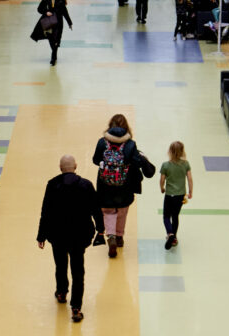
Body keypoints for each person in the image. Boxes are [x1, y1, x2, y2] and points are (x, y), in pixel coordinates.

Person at [37, 153, 103, 322]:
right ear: (76, 166)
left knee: (60, 265)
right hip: (79, 236)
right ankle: (76, 307)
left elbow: (46, 211)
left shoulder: (52, 185)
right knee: (78, 270)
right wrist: (101, 230)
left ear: (60, 168)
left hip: (57, 234)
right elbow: (96, 209)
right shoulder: (86, 185)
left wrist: (41, 235)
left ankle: (61, 292)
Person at [91, 113, 157, 255]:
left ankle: (111, 236)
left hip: (105, 184)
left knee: (108, 210)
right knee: (122, 210)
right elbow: (136, 162)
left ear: (110, 126)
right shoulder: (130, 144)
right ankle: (119, 236)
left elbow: (96, 160)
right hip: (125, 184)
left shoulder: (102, 142)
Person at [158, 141, 194, 249]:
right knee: (175, 216)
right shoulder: (186, 164)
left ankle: (170, 234)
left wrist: (162, 188)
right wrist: (190, 191)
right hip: (180, 195)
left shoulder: (165, 165)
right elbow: (190, 179)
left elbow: (162, 180)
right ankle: (174, 239)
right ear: (182, 151)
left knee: (166, 216)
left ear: (170, 151)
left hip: (169, 195)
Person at [33, 0, 74, 65]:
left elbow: (65, 13)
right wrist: (46, 12)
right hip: (49, 22)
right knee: (51, 39)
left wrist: (69, 23)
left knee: (57, 40)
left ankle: (53, 57)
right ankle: (54, 56)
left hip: (58, 23)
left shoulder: (61, 0)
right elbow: (39, 9)